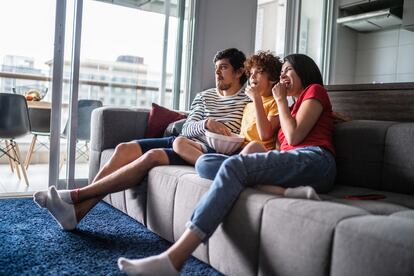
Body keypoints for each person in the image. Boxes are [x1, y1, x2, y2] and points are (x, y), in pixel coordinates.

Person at [117, 54, 337, 275]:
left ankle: (174, 259)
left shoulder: (314, 90)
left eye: (288, 70)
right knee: (208, 163)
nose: (283, 76)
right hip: (297, 164)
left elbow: (295, 137)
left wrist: (279, 100)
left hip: (316, 160)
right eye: (282, 72)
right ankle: (290, 192)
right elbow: (282, 148)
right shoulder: (292, 105)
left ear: (304, 71)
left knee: (233, 167)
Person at [33, 48, 251, 231]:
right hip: (184, 139)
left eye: (223, 68)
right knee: (123, 149)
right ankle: (76, 212)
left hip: (203, 150)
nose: (217, 74)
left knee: (153, 155)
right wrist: (206, 123)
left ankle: (75, 197)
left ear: (239, 71)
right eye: (216, 69)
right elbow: (186, 127)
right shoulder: (205, 96)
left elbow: (244, 134)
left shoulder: (247, 100)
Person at [173, 50, 281, 164]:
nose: (252, 76)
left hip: (254, 153)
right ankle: (219, 167)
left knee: (253, 146)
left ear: (273, 78)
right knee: (177, 143)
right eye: (251, 73)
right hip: (236, 150)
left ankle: (222, 167)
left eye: (259, 72)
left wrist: (257, 99)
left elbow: (264, 135)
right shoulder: (249, 105)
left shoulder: (272, 102)